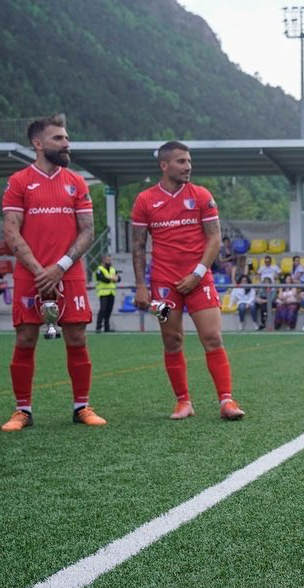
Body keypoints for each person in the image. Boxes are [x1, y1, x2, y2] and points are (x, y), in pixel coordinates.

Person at [0, 114, 106, 431]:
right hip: (29, 275)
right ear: (38, 143)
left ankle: (81, 406)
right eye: (58, 138)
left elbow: (87, 231)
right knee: (26, 337)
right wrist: (38, 270)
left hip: (68, 274)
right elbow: (11, 230)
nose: (66, 143)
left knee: (76, 336)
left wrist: (59, 267)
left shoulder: (76, 182)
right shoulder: (19, 181)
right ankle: (23, 410)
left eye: (66, 137)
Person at [131, 140, 244, 421]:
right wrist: (141, 286)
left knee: (213, 337)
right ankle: (183, 402)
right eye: (181, 161)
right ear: (164, 165)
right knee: (172, 340)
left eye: (189, 161)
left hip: (199, 281)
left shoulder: (202, 195)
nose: (188, 166)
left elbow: (214, 239)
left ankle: (226, 401)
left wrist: (197, 273)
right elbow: (137, 246)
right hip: (162, 287)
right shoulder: (145, 200)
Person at [93, 253, 121, 333]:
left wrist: (112, 278)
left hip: (111, 292)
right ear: (103, 260)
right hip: (103, 292)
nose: (109, 261)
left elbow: (118, 278)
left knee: (109, 310)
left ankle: (106, 327)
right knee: (103, 310)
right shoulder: (99, 269)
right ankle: (98, 327)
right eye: (108, 260)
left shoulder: (112, 269)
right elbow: (102, 278)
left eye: (110, 260)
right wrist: (112, 278)